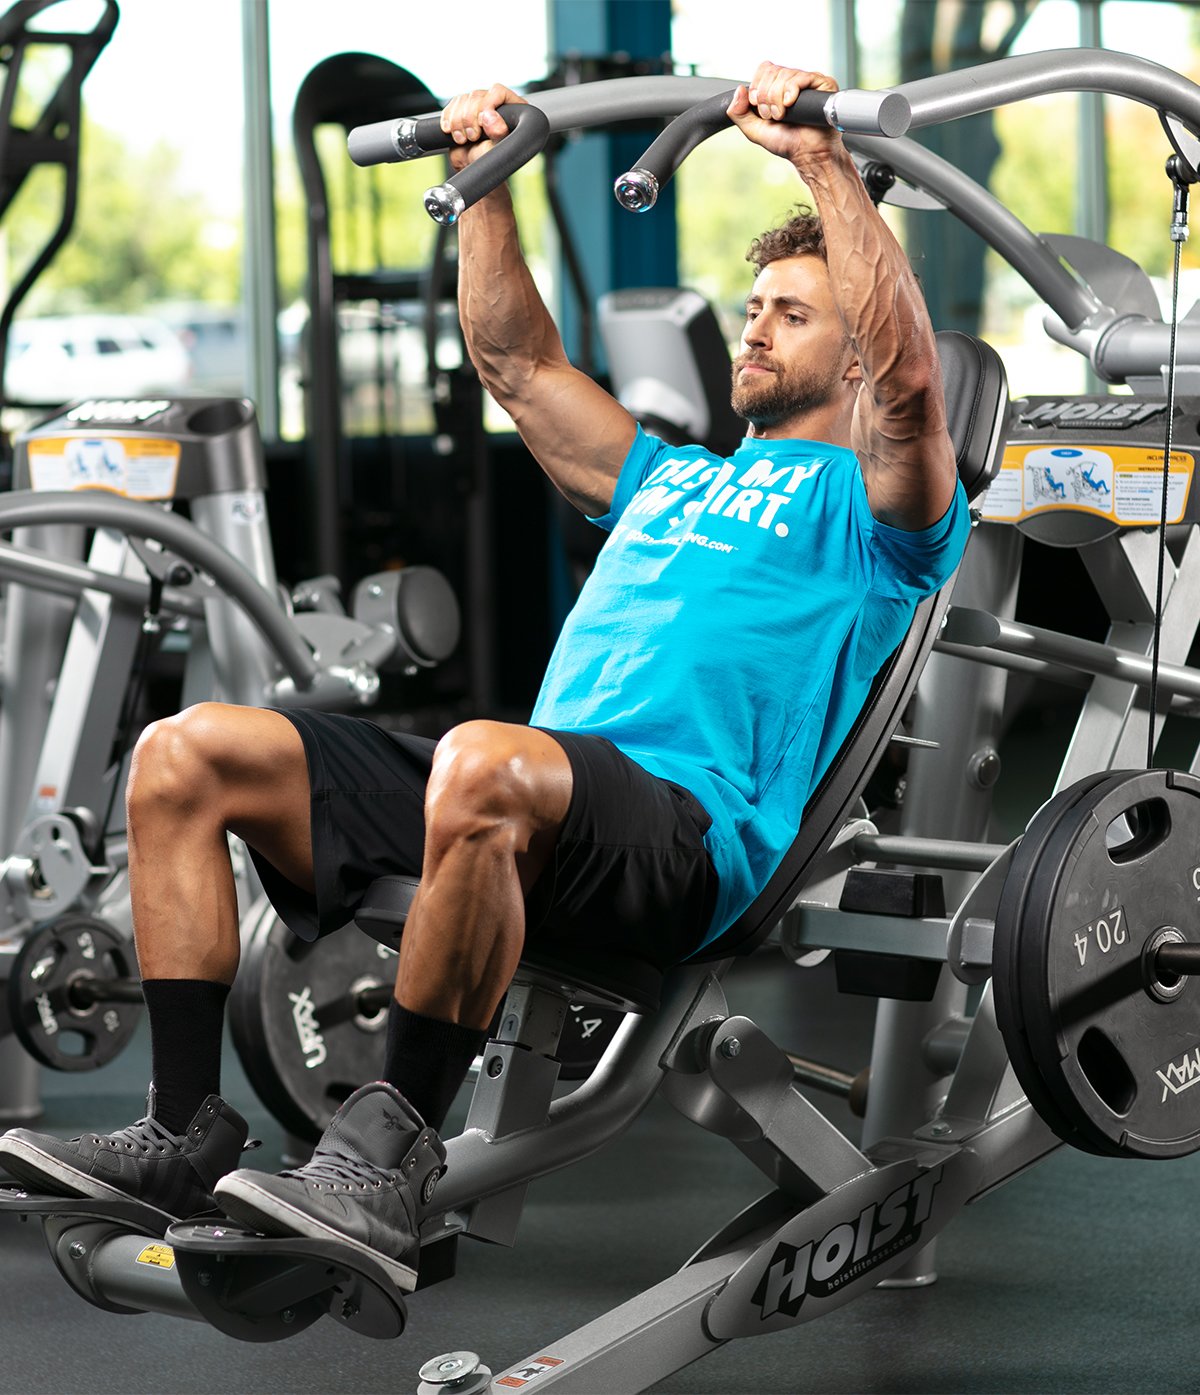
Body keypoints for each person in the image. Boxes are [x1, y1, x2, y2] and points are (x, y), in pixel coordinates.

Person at [0, 63, 969, 1295]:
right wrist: (489, 185)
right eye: (755, 302)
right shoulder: (666, 478)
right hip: (534, 797)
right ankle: (181, 1129)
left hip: (686, 834)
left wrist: (826, 163)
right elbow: (515, 365)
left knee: (485, 756)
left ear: (852, 354)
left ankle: (382, 1159)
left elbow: (914, 386)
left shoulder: (888, 519)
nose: (756, 325)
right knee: (187, 752)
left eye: (792, 310)